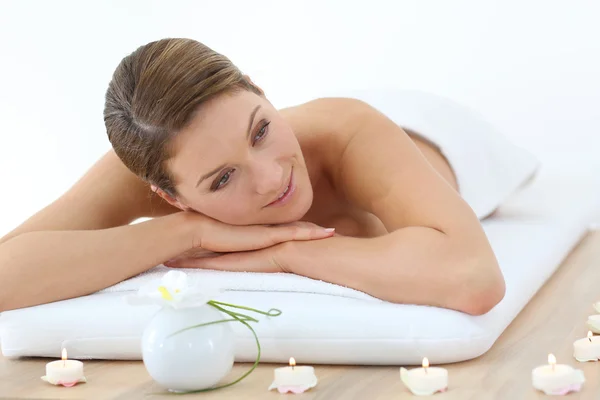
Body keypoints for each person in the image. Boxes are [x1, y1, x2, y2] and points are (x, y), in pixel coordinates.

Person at [0, 38, 505, 315]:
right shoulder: (160, 162)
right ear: (167, 196)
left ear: (260, 90)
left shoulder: (349, 131)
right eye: (222, 180)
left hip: (445, 135)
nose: (270, 179)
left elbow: (473, 278)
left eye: (260, 130)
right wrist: (187, 232)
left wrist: (284, 253)